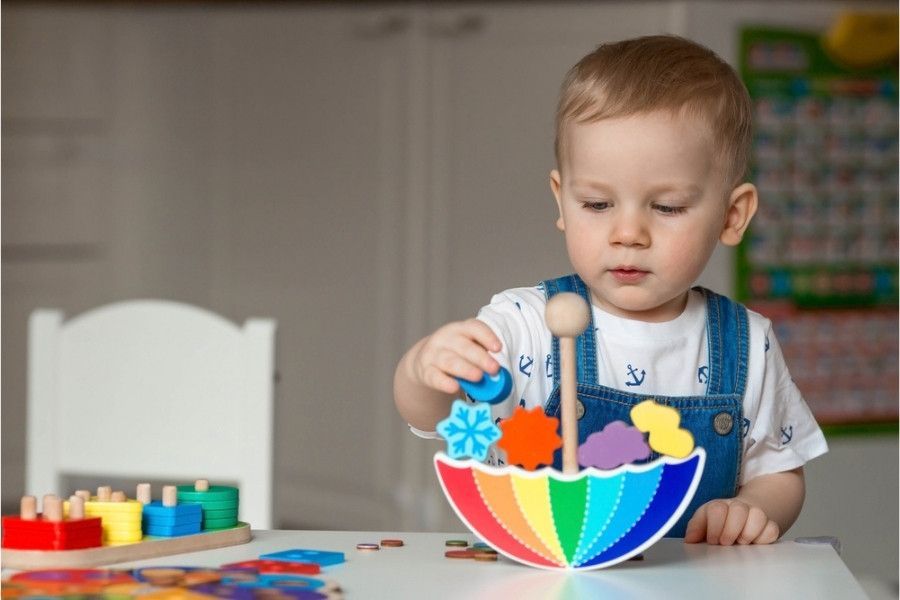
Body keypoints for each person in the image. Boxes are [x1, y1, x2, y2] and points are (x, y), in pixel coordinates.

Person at [393, 35, 827, 545]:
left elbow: (780, 469)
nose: (627, 234)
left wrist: (754, 507)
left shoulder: (748, 345)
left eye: (666, 208)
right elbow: (432, 417)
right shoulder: (524, 322)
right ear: (562, 200)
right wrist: (424, 369)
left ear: (732, 216)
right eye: (597, 205)